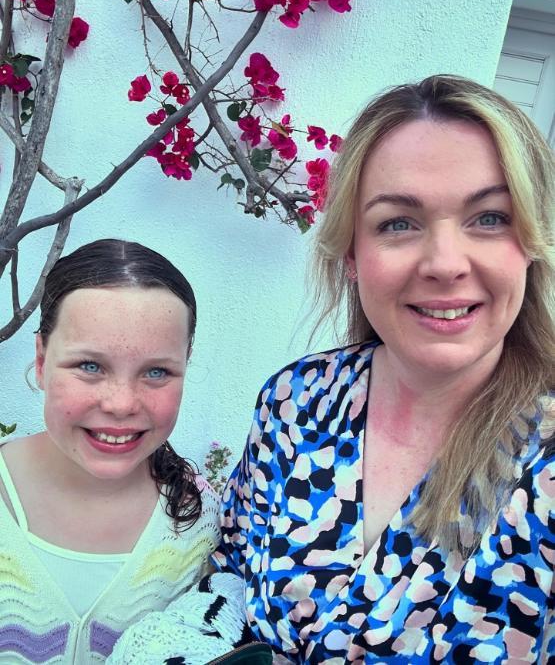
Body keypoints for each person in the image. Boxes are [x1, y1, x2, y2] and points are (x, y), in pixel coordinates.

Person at [213, 75, 555, 663]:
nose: (445, 264)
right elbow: (227, 582)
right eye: (398, 222)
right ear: (351, 254)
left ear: (531, 242)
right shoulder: (297, 402)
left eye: (490, 218)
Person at [0, 239, 223, 663]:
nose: (121, 403)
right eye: (90, 366)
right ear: (42, 360)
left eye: (157, 371)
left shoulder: (199, 526)